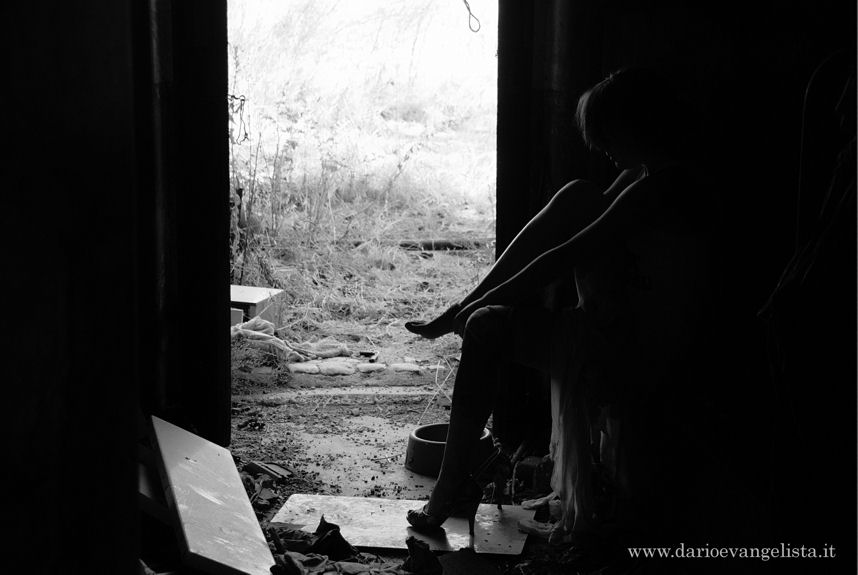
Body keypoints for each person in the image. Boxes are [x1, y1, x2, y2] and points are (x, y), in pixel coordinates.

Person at [404, 68, 717, 544]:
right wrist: (474, 302)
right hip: (610, 323)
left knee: (486, 324)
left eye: (608, 134)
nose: (602, 147)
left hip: (637, 343)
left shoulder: (667, 186)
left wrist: (482, 303)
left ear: (638, 125)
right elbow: (568, 230)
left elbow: (568, 254)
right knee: (577, 197)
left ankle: (450, 486)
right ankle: (462, 311)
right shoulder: (640, 174)